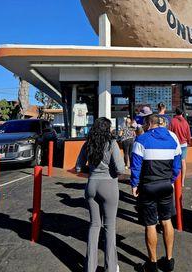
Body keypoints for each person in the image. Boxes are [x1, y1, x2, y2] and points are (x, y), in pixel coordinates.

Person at [130, 114, 181, 272]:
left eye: (145, 124)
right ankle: (169, 260)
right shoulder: (173, 140)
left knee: (150, 224)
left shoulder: (141, 140)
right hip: (166, 185)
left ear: (149, 123)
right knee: (166, 221)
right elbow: (177, 167)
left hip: (148, 186)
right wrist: (171, 181)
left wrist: (134, 184)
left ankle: (152, 264)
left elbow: (135, 165)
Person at [76, 117, 125, 272]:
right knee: (109, 228)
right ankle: (110, 267)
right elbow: (120, 169)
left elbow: (78, 168)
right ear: (107, 129)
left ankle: (89, 267)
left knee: (94, 226)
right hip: (109, 186)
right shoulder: (112, 143)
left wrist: (91, 171)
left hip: (91, 185)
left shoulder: (87, 144)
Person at [169, 107, 191, 187]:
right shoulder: (185, 122)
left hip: (175, 144)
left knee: (173, 162)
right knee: (183, 162)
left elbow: (170, 133)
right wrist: (188, 142)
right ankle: (182, 181)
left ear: (175, 112)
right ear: (182, 113)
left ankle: (173, 181)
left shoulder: (172, 121)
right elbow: (188, 134)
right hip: (184, 144)